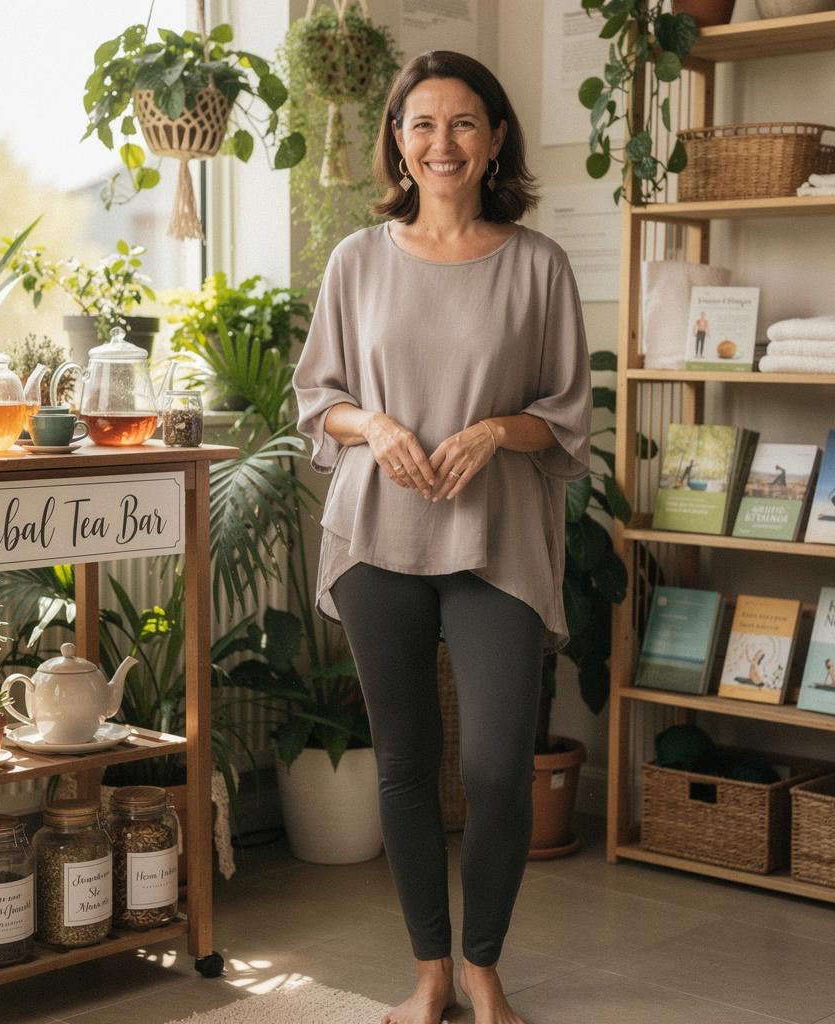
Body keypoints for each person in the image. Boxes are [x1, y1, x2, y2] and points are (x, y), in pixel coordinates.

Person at [292, 50, 591, 1024]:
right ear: (398, 139)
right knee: (404, 761)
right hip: (376, 535)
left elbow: (566, 417)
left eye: (463, 122)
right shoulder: (356, 259)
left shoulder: (537, 266)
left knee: (497, 767)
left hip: (497, 538)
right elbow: (318, 399)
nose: (442, 142)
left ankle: (482, 963)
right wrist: (373, 426)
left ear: (496, 138)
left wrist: (495, 431)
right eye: (421, 123)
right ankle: (430, 971)